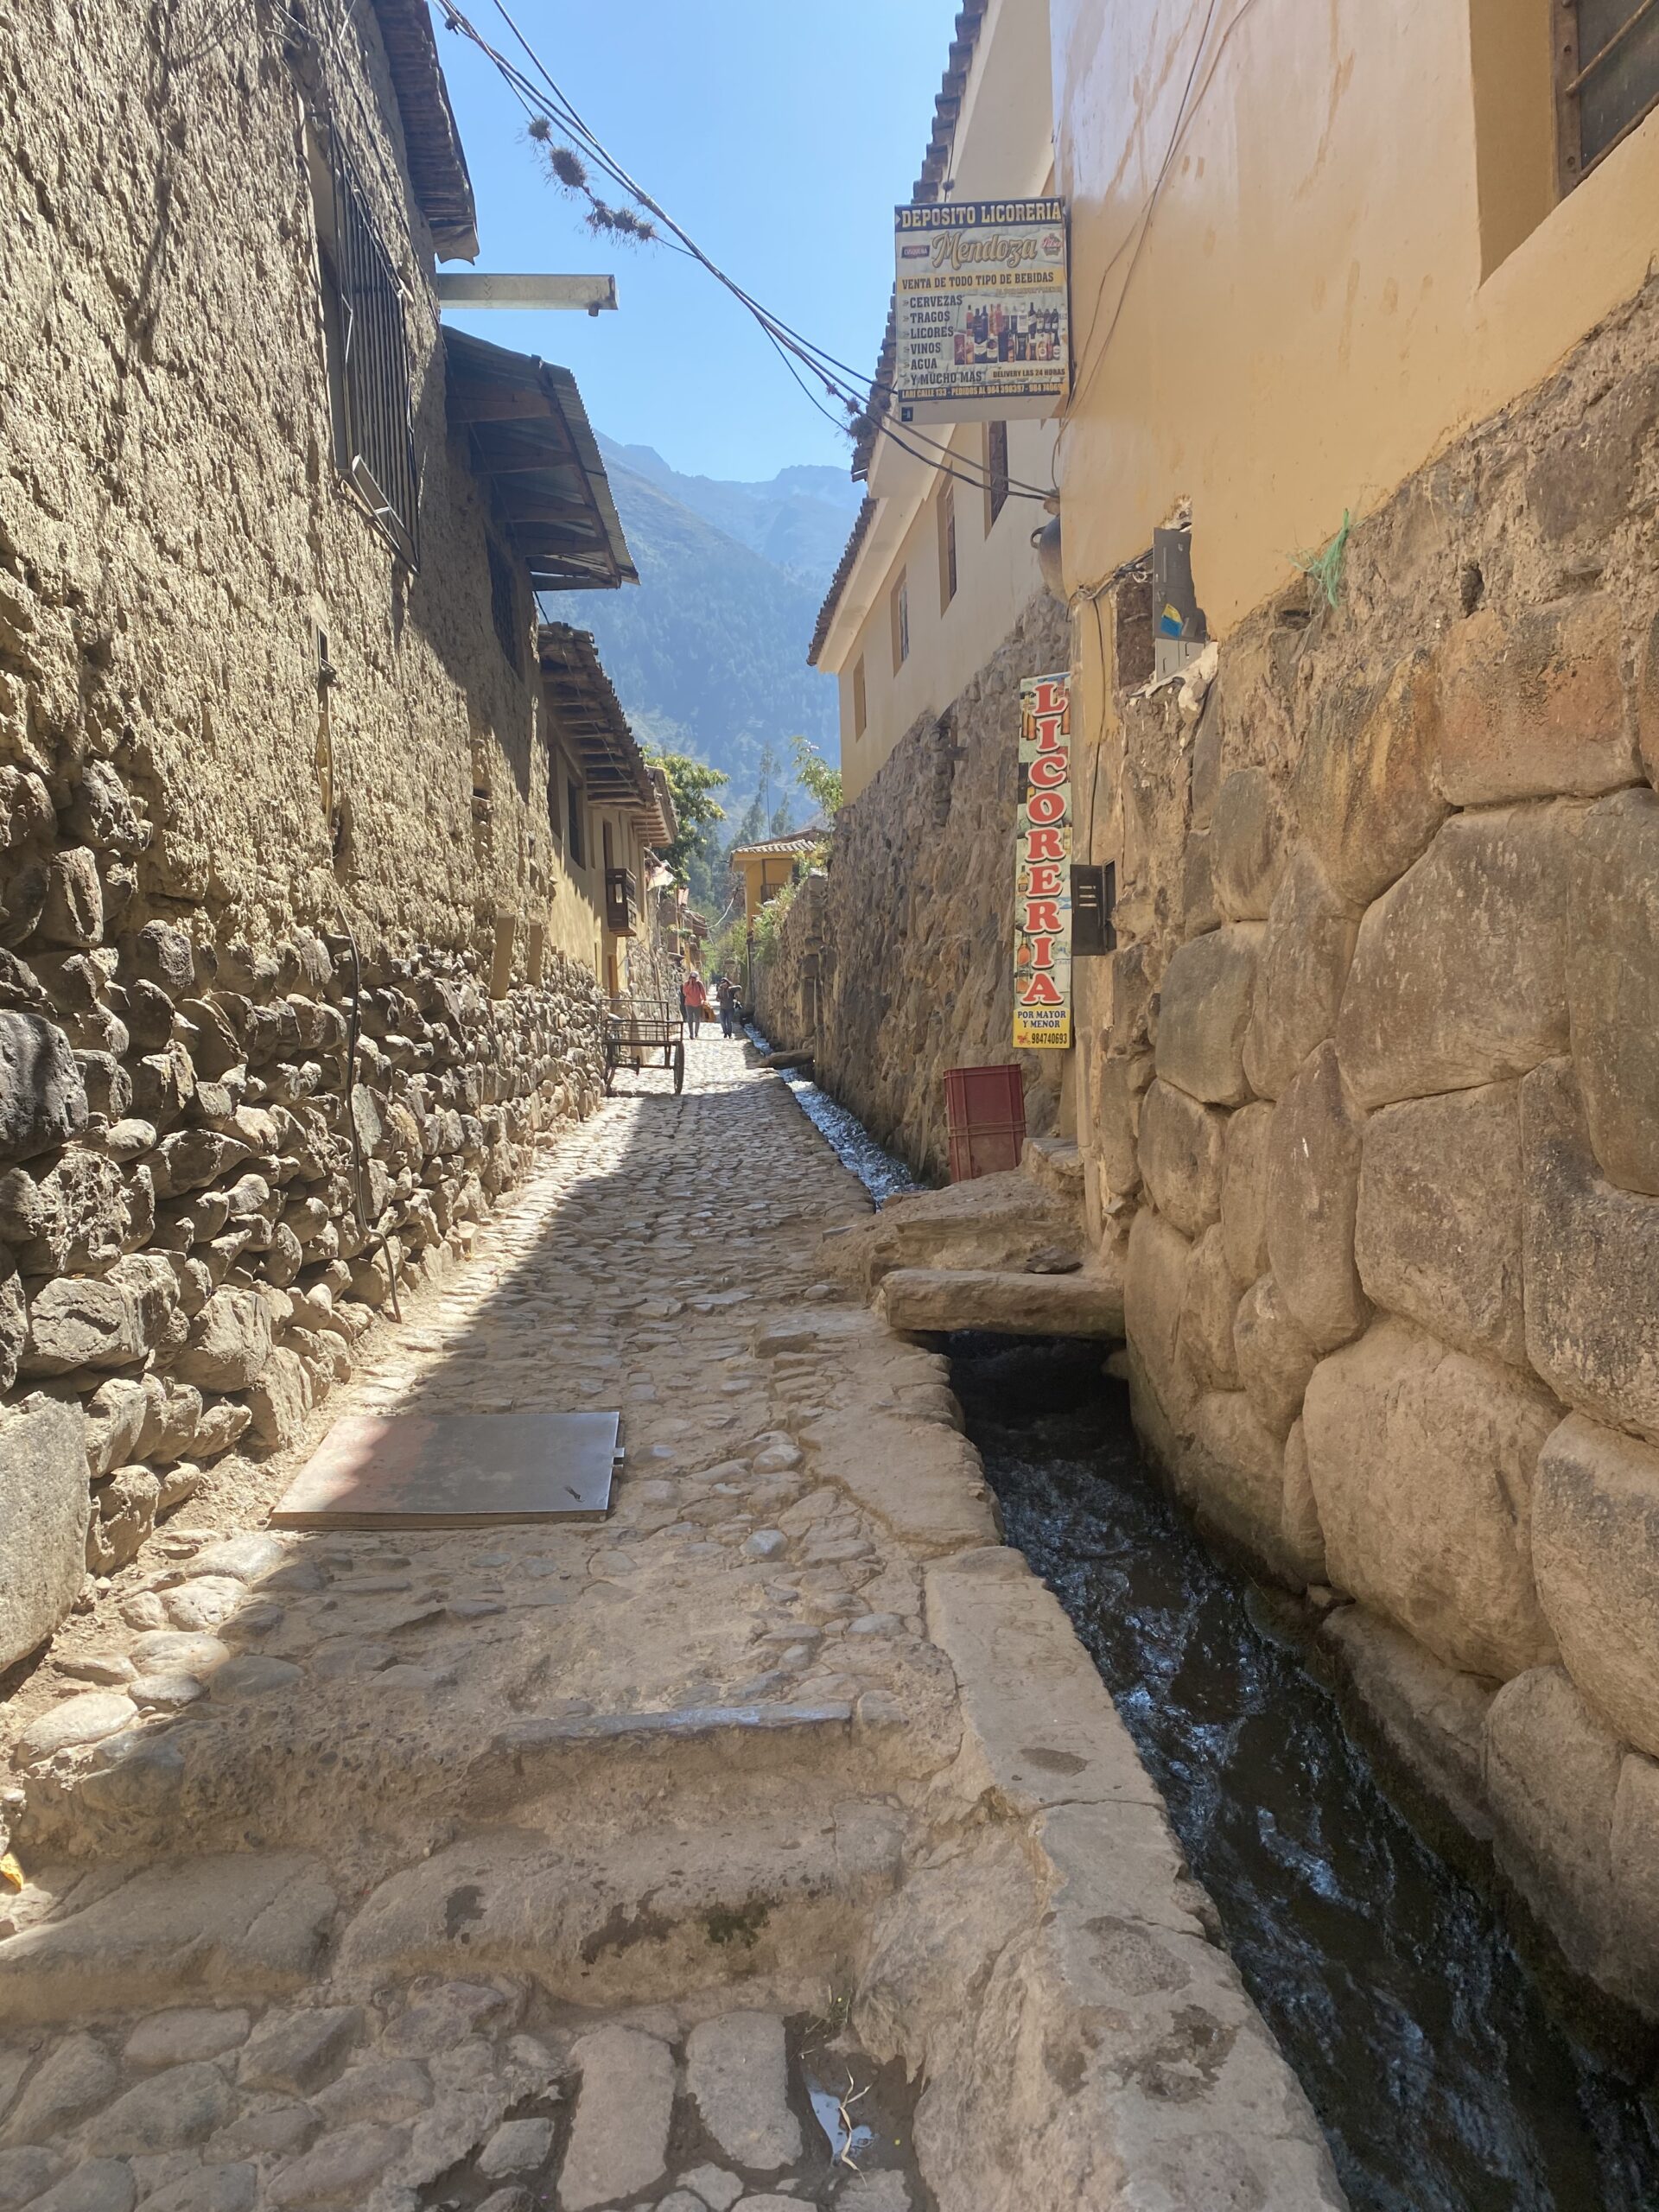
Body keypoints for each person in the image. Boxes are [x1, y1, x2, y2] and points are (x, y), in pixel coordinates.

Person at [682, 970, 708, 1039]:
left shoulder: (699, 984)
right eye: (692, 977)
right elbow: (685, 992)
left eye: (695, 978)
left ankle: (696, 1033)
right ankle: (691, 1034)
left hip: (698, 1004)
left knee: (697, 1019)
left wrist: (705, 1000)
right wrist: (690, 985)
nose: (693, 979)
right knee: (690, 1019)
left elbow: (703, 992)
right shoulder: (686, 984)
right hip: (689, 1004)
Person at [717, 974, 739, 1039]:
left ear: (727, 983)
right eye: (723, 984)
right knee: (722, 1022)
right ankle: (725, 1032)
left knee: (729, 1022)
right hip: (722, 1008)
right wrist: (718, 999)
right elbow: (717, 997)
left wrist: (731, 988)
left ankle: (729, 1034)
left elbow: (740, 988)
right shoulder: (720, 990)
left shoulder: (731, 989)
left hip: (730, 1008)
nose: (724, 985)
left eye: (725, 984)